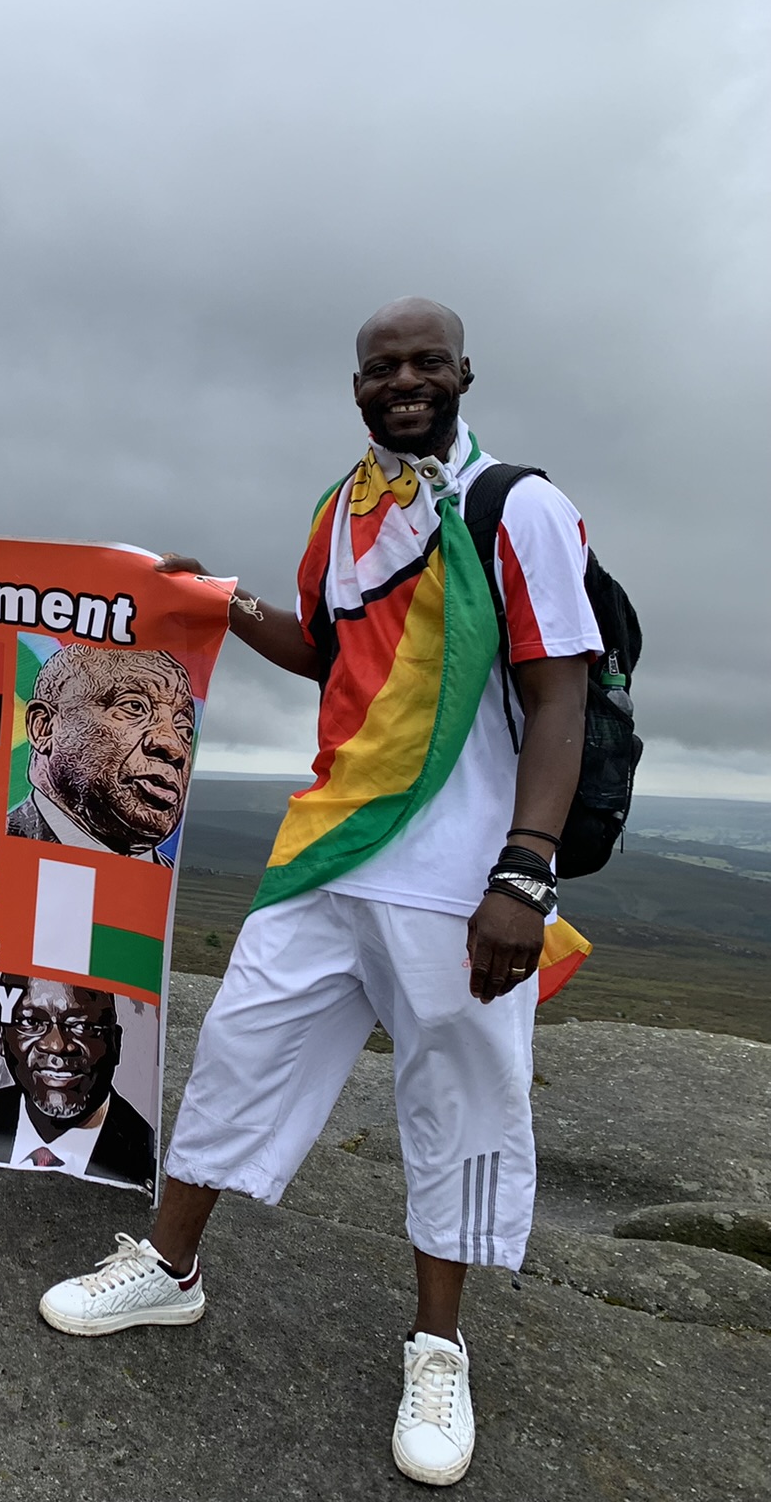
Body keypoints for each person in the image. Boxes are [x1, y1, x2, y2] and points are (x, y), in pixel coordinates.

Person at [36, 298, 597, 1487]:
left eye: (424, 362)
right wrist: (223, 610)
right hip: (330, 847)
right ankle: (169, 1272)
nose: (402, 380)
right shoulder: (340, 513)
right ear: (355, 385)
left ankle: (436, 1346)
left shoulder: (516, 508)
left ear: (461, 373)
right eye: (380, 366)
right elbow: (335, 656)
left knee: (455, 1100)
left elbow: (558, 695)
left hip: (461, 872)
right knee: (239, 1048)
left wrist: (524, 871)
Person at [0, 979, 153, 1188]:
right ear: (2, 1037)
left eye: (82, 1025)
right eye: (31, 1023)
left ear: (115, 1043)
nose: (57, 1045)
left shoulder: (149, 1160)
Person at [6, 645, 193, 862]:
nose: (174, 747)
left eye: (185, 728)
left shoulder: (171, 886)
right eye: (134, 706)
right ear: (44, 727)